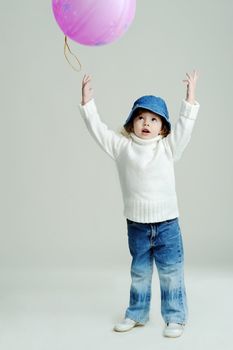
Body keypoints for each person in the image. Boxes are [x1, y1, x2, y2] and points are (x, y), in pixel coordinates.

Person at [78, 71, 200, 338]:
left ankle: (175, 317)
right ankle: (137, 314)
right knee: (140, 273)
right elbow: (98, 131)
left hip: (167, 223)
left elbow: (184, 129)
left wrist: (189, 100)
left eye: (154, 119)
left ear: (163, 127)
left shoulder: (168, 148)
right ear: (132, 123)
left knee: (171, 272)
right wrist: (88, 105)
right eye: (141, 117)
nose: (146, 123)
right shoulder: (122, 148)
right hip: (137, 226)